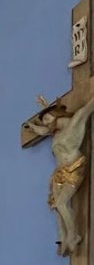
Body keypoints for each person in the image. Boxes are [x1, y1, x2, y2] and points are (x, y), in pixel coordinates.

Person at [24, 95, 94, 255]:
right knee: (56, 205)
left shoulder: (74, 124)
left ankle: (73, 236)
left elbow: (86, 110)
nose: (46, 124)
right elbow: (43, 130)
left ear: (56, 115)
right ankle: (63, 238)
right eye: (44, 122)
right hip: (59, 173)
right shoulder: (55, 133)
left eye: (47, 119)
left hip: (75, 168)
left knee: (61, 203)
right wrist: (32, 124)